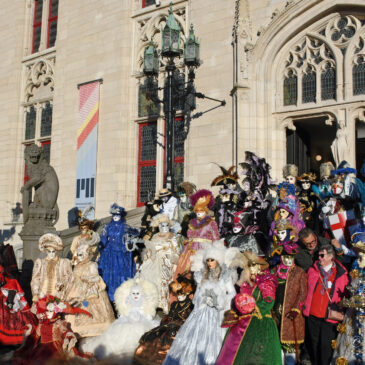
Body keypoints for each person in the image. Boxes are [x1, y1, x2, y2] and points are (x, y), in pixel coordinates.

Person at [163, 241, 237, 365]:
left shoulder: (225, 275)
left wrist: (221, 301)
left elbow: (232, 293)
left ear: (218, 260)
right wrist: (203, 299)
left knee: (215, 342)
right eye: (207, 260)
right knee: (194, 340)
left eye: (212, 260)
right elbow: (197, 294)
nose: (209, 263)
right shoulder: (202, 275)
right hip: (202, 311)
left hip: (219, 312)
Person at [216, 251, 282, 365]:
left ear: (259, 267)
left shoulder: (266, 282)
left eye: (252, 266)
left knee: (257, 355)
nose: (250, 269)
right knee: (237, 350)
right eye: (248, 266)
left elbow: (269, 302)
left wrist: (253, 308)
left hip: (261, 322)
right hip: (244, 321)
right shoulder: (247, 283)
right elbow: (242, 300)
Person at [80, 277, 159, 363]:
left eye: (138, 293)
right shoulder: (128, 301)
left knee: (140, 332)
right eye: (133, 293)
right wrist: (125, 317)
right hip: (127, 319)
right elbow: (124, 310)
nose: (135, 295)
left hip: (141, 320)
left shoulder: (144, 302)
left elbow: (148, 311)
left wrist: (146, 317)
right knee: (119, 332)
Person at [134, 273, 196, 365]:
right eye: (177, 293)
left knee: (171, 340)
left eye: (181, 293)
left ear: (187, 293)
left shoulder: (190, 305)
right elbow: (169, 316)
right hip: (169, 326)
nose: (179, 296)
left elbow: (191, 320)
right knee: (155, 338)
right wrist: (167, 321)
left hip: (182, 330)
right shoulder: (174, 304)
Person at [12, 295, 92, 365]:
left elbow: (66, 334)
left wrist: (73, 346)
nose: (46, 314)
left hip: (55, 348)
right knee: (36, 360)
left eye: (49, 311)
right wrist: (26, 346)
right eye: (45, 312)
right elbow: (34, 338)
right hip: (41, 348)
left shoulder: (59, 323)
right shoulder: (41, 325)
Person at [303, 244, 348, 365]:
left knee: (326, 347)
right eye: (319, 255)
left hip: (330, 316)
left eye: (322, 255)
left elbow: (345, 294)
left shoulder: (341, 273)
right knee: (314, 344)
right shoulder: (312, 270)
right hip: (313, 314)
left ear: (331, 256)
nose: (320, 258)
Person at [65, 240, 115, 337]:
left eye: (82, 254)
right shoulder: (77, 266)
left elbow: (95, 276)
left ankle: (96, 329)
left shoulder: (92, 264)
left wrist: (84, 279)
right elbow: (74, 277)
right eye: (79, 255)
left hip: (90, 290)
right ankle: (76, 330)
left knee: (94, 308)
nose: (80, 257)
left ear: (87, 255)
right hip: (77, 289)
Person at [138, 214, 180, 313]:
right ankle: (153, 304)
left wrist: (172, 257)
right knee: (150, 279)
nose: (164, 228)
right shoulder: (155, 236)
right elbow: (150, 249)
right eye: (162, 225)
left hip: (167, 261)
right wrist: (147, 257)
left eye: (166, 225)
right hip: (155, 261)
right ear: (158, 226)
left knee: (165, 282)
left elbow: (176, 250)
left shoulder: (172, 236)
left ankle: (165, 304)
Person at [98, 203, 140, 302]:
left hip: (121, 254)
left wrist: (130, 240)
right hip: (109, 254)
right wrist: (101, 245)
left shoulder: (125, 227)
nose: (115, 217)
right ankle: (110, 297)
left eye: (117, 215)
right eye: (114, 215)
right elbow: (103, 239)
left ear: (120, 216)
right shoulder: (107, 227)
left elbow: (136, 233)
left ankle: (121, 297)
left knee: (121, 274)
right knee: (109, 275)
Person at [31, 233, 72, 302]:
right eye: (49, 251)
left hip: (58, 295)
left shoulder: (64, 262)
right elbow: (35, 279)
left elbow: (69, 278)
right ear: (46, 251)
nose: (51, 254)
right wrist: (35, 293)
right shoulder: (40, 263)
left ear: (56, 251)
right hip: (42, 294)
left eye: (53, 251)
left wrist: (62, 285)